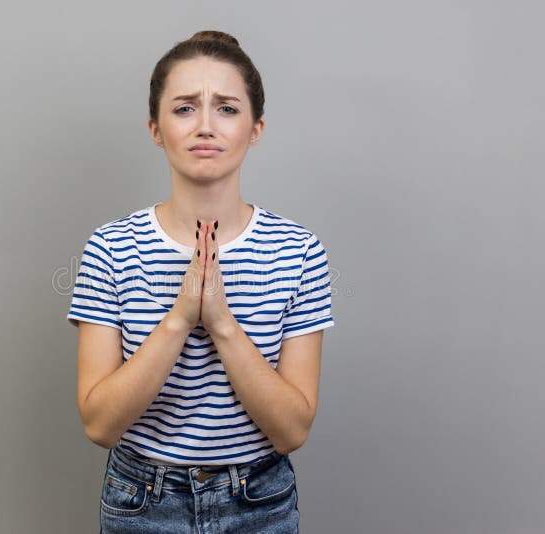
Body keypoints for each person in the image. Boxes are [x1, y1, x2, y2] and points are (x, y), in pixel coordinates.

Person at [67, 30, 335, 533]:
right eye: (185, 108)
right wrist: (180, 318)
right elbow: (100, 425)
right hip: (141, 503)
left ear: (255, 129)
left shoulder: (299, 251)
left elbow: (292, 429)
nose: (206, 126)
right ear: (155, 127)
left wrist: (222, 323)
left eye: (228, 109)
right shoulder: (109, 248)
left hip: (260, 502)